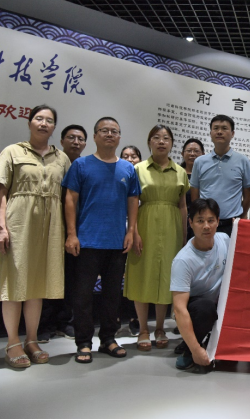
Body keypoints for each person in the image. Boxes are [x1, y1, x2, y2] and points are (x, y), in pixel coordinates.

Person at [0, 105, 71, 368]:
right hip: (19, 223)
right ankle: (13, 342)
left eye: (49, 120)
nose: (43, 123)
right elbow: (0, 191)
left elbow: (69, 197)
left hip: (51, 227)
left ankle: (32, 340)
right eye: (39, 118)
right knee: (15, 284)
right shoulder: (12, 152)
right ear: (29, 123)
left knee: (38, 286)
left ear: (54, 127)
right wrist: (1, 227)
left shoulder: (62, 159)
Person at [63, 117, 141, 364]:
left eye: (114, 131)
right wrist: (71, 234)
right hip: (87, 241)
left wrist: (131, 231)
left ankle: (108, 338)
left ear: (119, 137)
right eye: (104, 131)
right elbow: (70, 199)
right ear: (95, 136)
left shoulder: (128, 169)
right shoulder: (81, 165)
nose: (109, 134)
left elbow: (133, 201)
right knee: (83, 296)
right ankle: (84, 342)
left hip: (117, 242)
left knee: (112, 296)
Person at [124, 125, 189, 352]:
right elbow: (132, 202)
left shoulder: (180, 172)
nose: (161, 141)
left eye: (166, 138)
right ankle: (143, 329)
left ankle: (160, 328)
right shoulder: (138, 169)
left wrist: (183, 236)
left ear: (172, 143)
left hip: (172, 228)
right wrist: (134, 231)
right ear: (149, 142)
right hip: (145, 224)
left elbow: (183, 205)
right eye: (156, 137)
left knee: (166, 278)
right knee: (143, 274)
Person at [37, 124, 88, 342]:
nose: (76, 142)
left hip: (78, 231)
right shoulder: (52, 163)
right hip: (51, 228)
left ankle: (65, 322)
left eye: (80, 139)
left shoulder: (86, 166)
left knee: (72, 279)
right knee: (48, 275)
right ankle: (43, 324)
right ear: (61, 140)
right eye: (71, 137)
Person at [171, 198, 229, 372]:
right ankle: (190, 350)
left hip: (219, 303)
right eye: (200, 221)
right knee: (205, 308)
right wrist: (196, 350)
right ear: (190, 223)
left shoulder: (224, 240)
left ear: (218, 221)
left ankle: (215, 344)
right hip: (195, 308)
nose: (206, 226)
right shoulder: (183, 260)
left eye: (211, 220)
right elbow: (179, 309)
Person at [190, 115, 250, 236]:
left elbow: (249, 196)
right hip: (206, 224)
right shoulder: (199, 162)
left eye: (224, 128)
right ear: (210, 133)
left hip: (232, 224)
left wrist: (240, 216)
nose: (219, 132)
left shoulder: (243, 161)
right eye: (216, 128)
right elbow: (195, 196)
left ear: (232, 133)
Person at [119, 145, 142, 337]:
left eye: (133, 156)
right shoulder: (118, 176)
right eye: (125, 156)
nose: (129, 159)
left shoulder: (145, 178)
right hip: (119, 230)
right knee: (117, 276)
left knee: (135, 275)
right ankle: (116, 317)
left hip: (139, 232)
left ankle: (135, 317)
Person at [180, 138, 205, 241]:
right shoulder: (177, 174)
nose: (192, 154)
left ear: (203, 154)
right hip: (179, 219)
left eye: (196, 151)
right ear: (182, 153)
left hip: (199, 219)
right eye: (189, 151)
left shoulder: (206, 176)